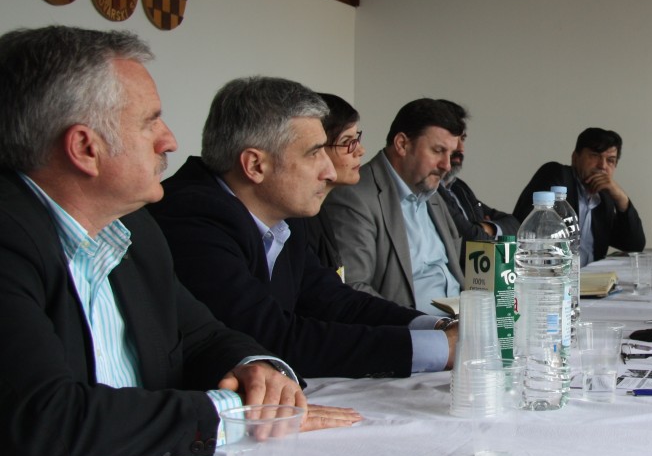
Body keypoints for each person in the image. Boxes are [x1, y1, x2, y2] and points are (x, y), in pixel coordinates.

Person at [0, 26, 356, 456]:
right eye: (150, 121)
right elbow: (46, 421)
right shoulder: (9, 236)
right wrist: (235, 412)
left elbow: (201, 335)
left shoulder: (135, 228)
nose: (168, 140)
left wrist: (254, 368)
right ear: (85, 148)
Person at [149, 79, 457, 378]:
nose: (329, 170)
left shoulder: (283, 214)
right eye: (314, 153)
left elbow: (335, 301)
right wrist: (440, 348)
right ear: (255, 165)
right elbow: (269, 339)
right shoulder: (190, 217)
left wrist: (438, 327)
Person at [323, 98, 465, 315]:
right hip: (414, 327)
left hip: (463, 319)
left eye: (451, 154)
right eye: (438, 151)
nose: (446, 165)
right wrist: (424, 324)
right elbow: (354, 288)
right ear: (402, 144)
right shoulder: (354, 197)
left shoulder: (432, 192)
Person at [513, 127, 645, 265]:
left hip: (593, 277)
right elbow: (529, 228)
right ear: (575, 158)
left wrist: (621, 197)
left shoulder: (604, 199)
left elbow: (634, 245)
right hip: (553, 274)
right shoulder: (557, 175)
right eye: (595, 155)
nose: (602, 165)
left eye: (610, 160)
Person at [435, 101, 520, 252]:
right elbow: (471, 241)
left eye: (462, 139)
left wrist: (488, 228)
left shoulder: (459, 187)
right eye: (453, 139)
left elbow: (516, 225)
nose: (461, 148)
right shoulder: (430, 190)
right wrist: (483, 231)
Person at [305, 93, 366, 281]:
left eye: (356, 139)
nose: (360, 150)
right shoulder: (299, 221)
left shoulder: (319, 210)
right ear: (317, 149)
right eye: (346, 142)